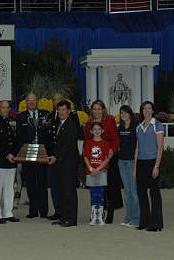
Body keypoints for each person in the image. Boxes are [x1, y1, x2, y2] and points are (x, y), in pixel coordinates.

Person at [84, 100, 123, 223]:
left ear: (103, 109)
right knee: (96, 187)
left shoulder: (110, 121)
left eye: (99, 109)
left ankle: (109, 212)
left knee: (110, 187)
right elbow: (87, 141)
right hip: (94, 161)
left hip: (108, 158)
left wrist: (111, 151)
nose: (96, 111)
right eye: (94, 109)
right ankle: (97, 212)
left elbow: (116, 139)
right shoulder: (88, 123)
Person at [46, 93, 82, 221]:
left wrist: (56, 157)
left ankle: (71, 219)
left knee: (69, 191)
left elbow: (69, 146)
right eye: (59, 109)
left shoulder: (70, 124)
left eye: (63, 110)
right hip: (60, 162)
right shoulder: (60, 124)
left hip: (68, 163)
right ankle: (64, 216)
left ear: (68, 111)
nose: (61, 112)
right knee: (62, 191)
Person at [16, 93, 50, 219]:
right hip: (28, 152)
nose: (31, 103)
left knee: (42, 182)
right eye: (29, 101)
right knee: (30, 183)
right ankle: (33, 210)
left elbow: (48, 135)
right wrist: (20, 153)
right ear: (26, 102)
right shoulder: (20, 117)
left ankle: (44, 211)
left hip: (41, 152)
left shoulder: (46, 114)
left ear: (37, 101)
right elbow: (19, 137)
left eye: (34, 101)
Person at [135, 101, 164, 232]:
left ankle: (156, 223)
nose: (147, 110)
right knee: (141, 194)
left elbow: (160, 147)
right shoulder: (139, 127)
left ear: (153, 111)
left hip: (152, 162)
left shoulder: (157, 125)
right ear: (142, 111)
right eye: (144, 108)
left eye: (149, 108)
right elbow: (137, 148)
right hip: (141, 163)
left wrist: (156, 166)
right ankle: (144, 221)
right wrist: (135, 167)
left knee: (154, 193)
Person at [0, 100, 20, 224]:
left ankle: (8, 212)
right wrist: (7, 154)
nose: (5, 110)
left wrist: (15, 155)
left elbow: (15, 141)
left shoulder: (12, 122)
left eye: (7, 108)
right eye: (3, 107)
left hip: (11, 161)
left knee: (9, 188)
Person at [83, 122, 113, 226]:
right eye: (94, 129)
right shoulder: (88, 142)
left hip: (101, 172)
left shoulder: (105, 143)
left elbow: (106, 159)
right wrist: (91, 169)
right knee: (93, 194)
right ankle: (93, 215)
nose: (96, 131)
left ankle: (100, 215)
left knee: (100, 194)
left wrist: (98, 169)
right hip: (90, 172)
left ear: (102, 131)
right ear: (91, 131)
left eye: (99, 129)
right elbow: (86, 157)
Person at [117, 105, 140, 228]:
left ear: (130, 114)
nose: (123, 115)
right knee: (126, 192)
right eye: (121, 113)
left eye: (125, 112)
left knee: (134, 192)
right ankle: (128, 217)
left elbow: (138, 145)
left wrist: (136, 163)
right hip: (122, 162)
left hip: (132, 162)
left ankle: (136, 218)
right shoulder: (120, 127)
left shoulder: (135, 127)